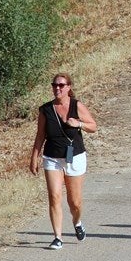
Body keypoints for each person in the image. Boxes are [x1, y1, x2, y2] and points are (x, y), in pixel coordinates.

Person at [30, 73, 98, 250]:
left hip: (74, 157)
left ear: (68, 87)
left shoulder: (77, 106)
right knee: (54, 196)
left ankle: (77, 222)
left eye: (61, 85)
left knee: (74, 202)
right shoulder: (45, 110)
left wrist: (79, 124)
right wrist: (34, 157)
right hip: (52, 158)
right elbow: (40, 135)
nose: (57, 88)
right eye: (54, 85)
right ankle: (57, 237)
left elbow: (93, 126)